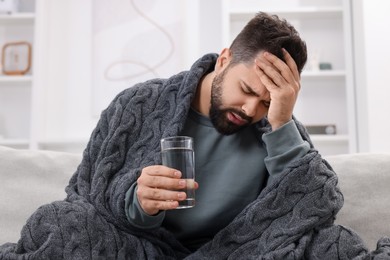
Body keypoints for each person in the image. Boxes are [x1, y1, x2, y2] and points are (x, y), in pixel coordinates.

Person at [1, 12, 389, 260]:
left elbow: (318, 207)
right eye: (248, 90)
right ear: (224, 60)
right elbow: (86, 193)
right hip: (142, 249)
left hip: (238, 253)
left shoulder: (276, 124)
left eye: (268, 101)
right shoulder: (139, 103)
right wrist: (137, 201)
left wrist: (283, 122)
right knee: (64, 222)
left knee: (329, 245)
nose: (252, 110)